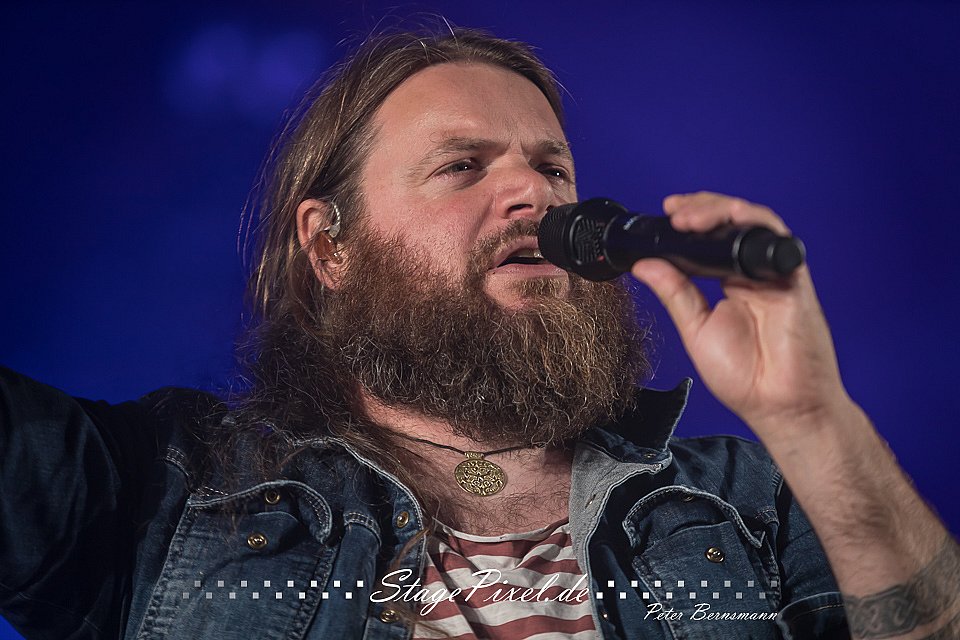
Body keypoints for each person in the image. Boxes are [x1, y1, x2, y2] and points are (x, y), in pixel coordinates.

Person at [1, 27, 956, 640]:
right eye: (462, 165)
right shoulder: (163, 487)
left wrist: (812, 418)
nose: (534, 193)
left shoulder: (750, 500)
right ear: (329, 246)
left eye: (553, 168)